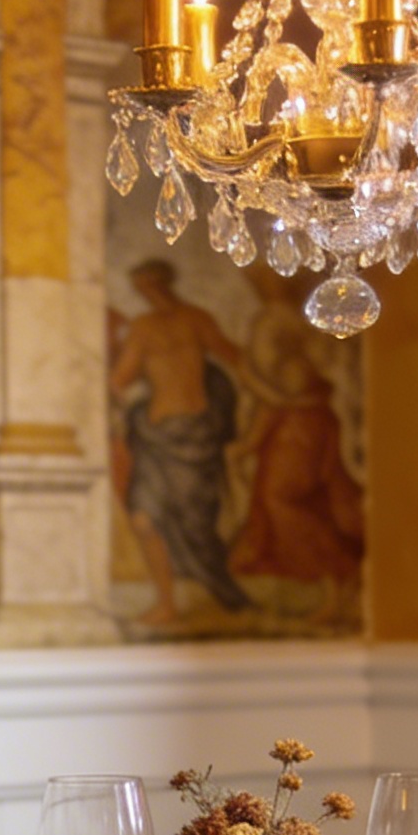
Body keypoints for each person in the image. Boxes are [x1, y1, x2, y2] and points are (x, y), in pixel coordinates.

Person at [108, 260, 252, 626]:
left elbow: (234, 358)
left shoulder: (196, 319)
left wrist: (262, 399)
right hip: (155, 438)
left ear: (164, 281)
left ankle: (222, 591)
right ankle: (166, 602)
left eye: (150, 285)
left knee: (197, 525)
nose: (146, 292)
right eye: (141, 288)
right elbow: (120, 379)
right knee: (143, 519)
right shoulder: (142, 328)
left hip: (196, 437)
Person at [230, 351, 365, 621]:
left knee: (311, 532)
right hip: (279, 489)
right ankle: (325, 597)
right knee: (288, 534)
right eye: (289, 375)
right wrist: (236, 453)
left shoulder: (320, 413)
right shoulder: (279, 409)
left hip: (298, 492)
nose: (294, 380)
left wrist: (327, 481)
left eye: (300, 374)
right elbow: (253, 442)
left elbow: (331, 456)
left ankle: (336, 596)